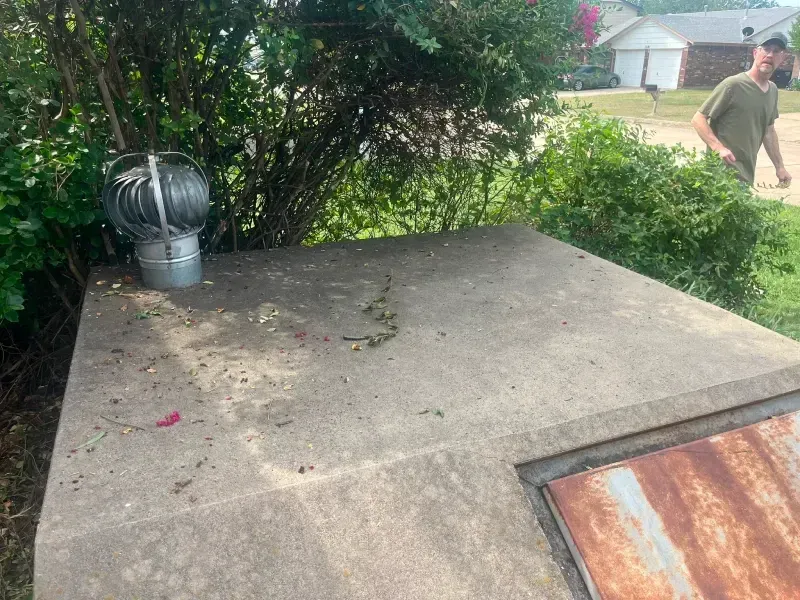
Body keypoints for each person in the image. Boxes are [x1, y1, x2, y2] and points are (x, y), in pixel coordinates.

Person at [691, 32, 792, 187]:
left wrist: (780, 167)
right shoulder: (733, 85)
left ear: (782, 58)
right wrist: (718, 148)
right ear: (755, 53)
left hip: (746, 173)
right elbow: (698, 119)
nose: (770, 55)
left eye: (776, 51)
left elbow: (769, 131)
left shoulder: (772, 91)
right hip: (720, 173)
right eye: (766, 49)